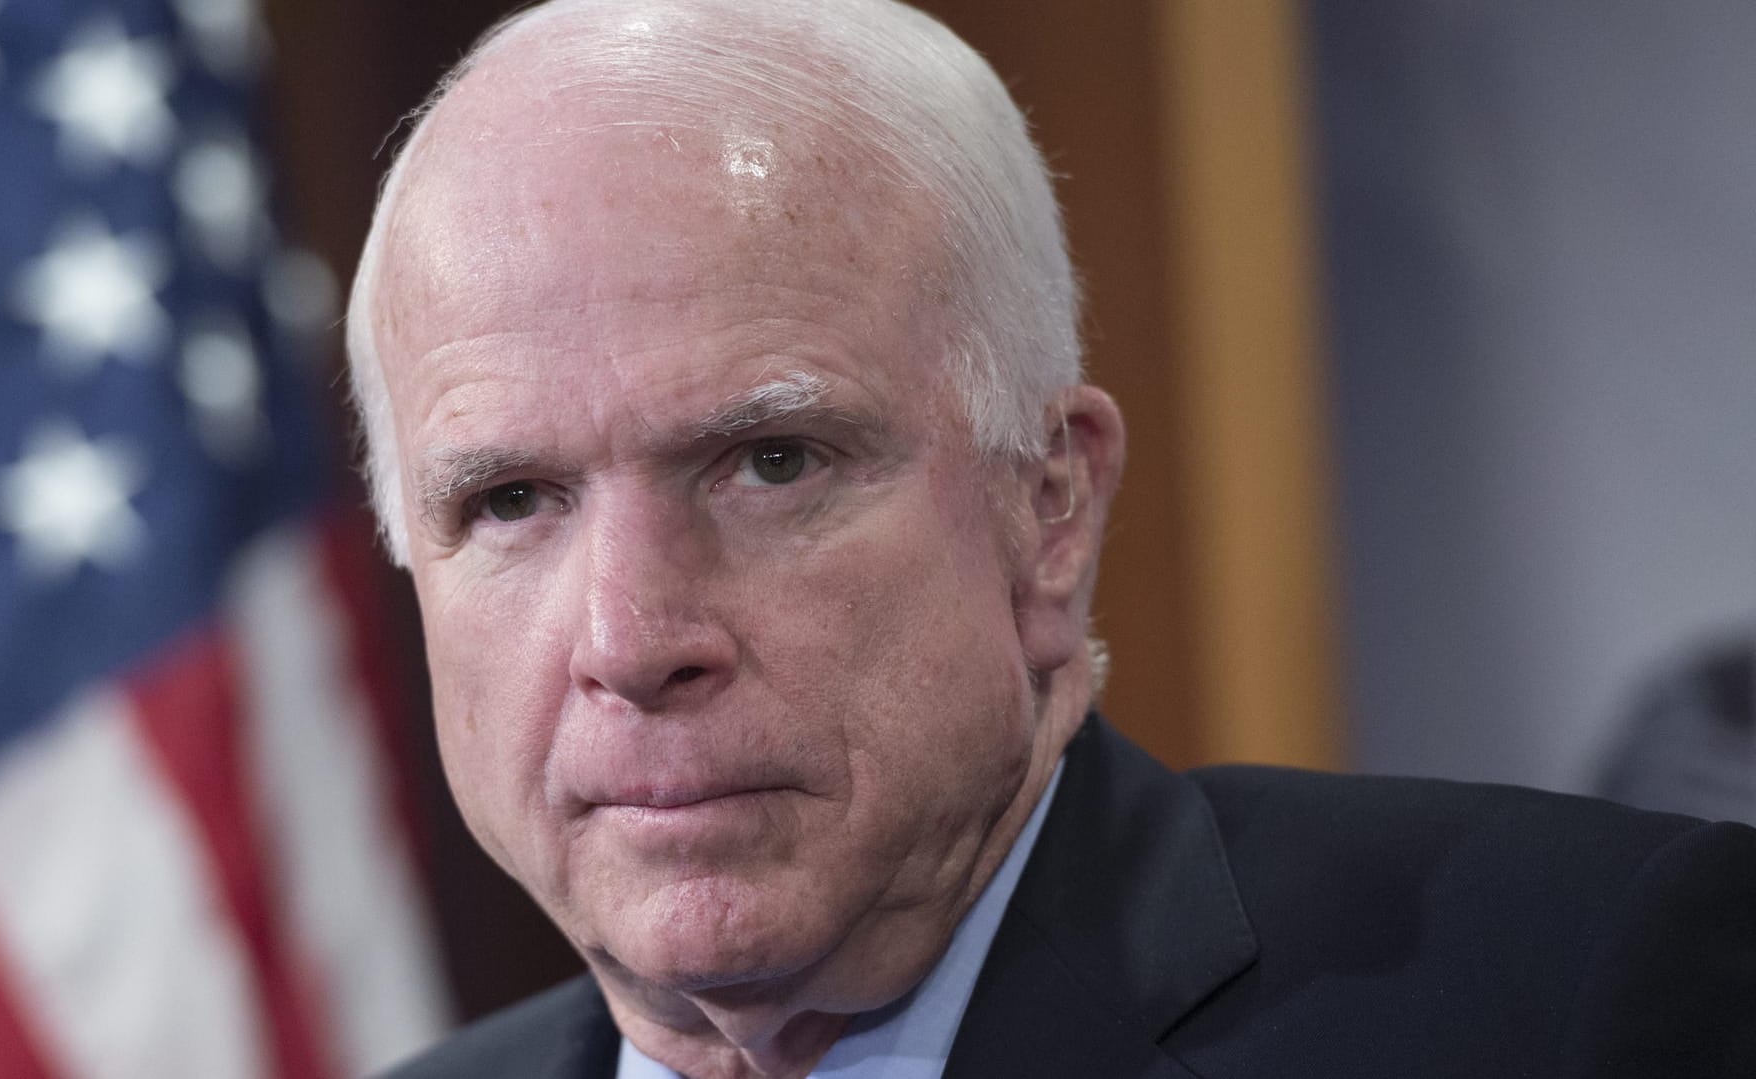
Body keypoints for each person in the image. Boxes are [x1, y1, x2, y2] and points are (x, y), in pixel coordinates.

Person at [344, 1, 1756, 1075]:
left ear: (1049, 510)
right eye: (512, 501)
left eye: (771, 463)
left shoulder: (1582, 999)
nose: (632, 641)